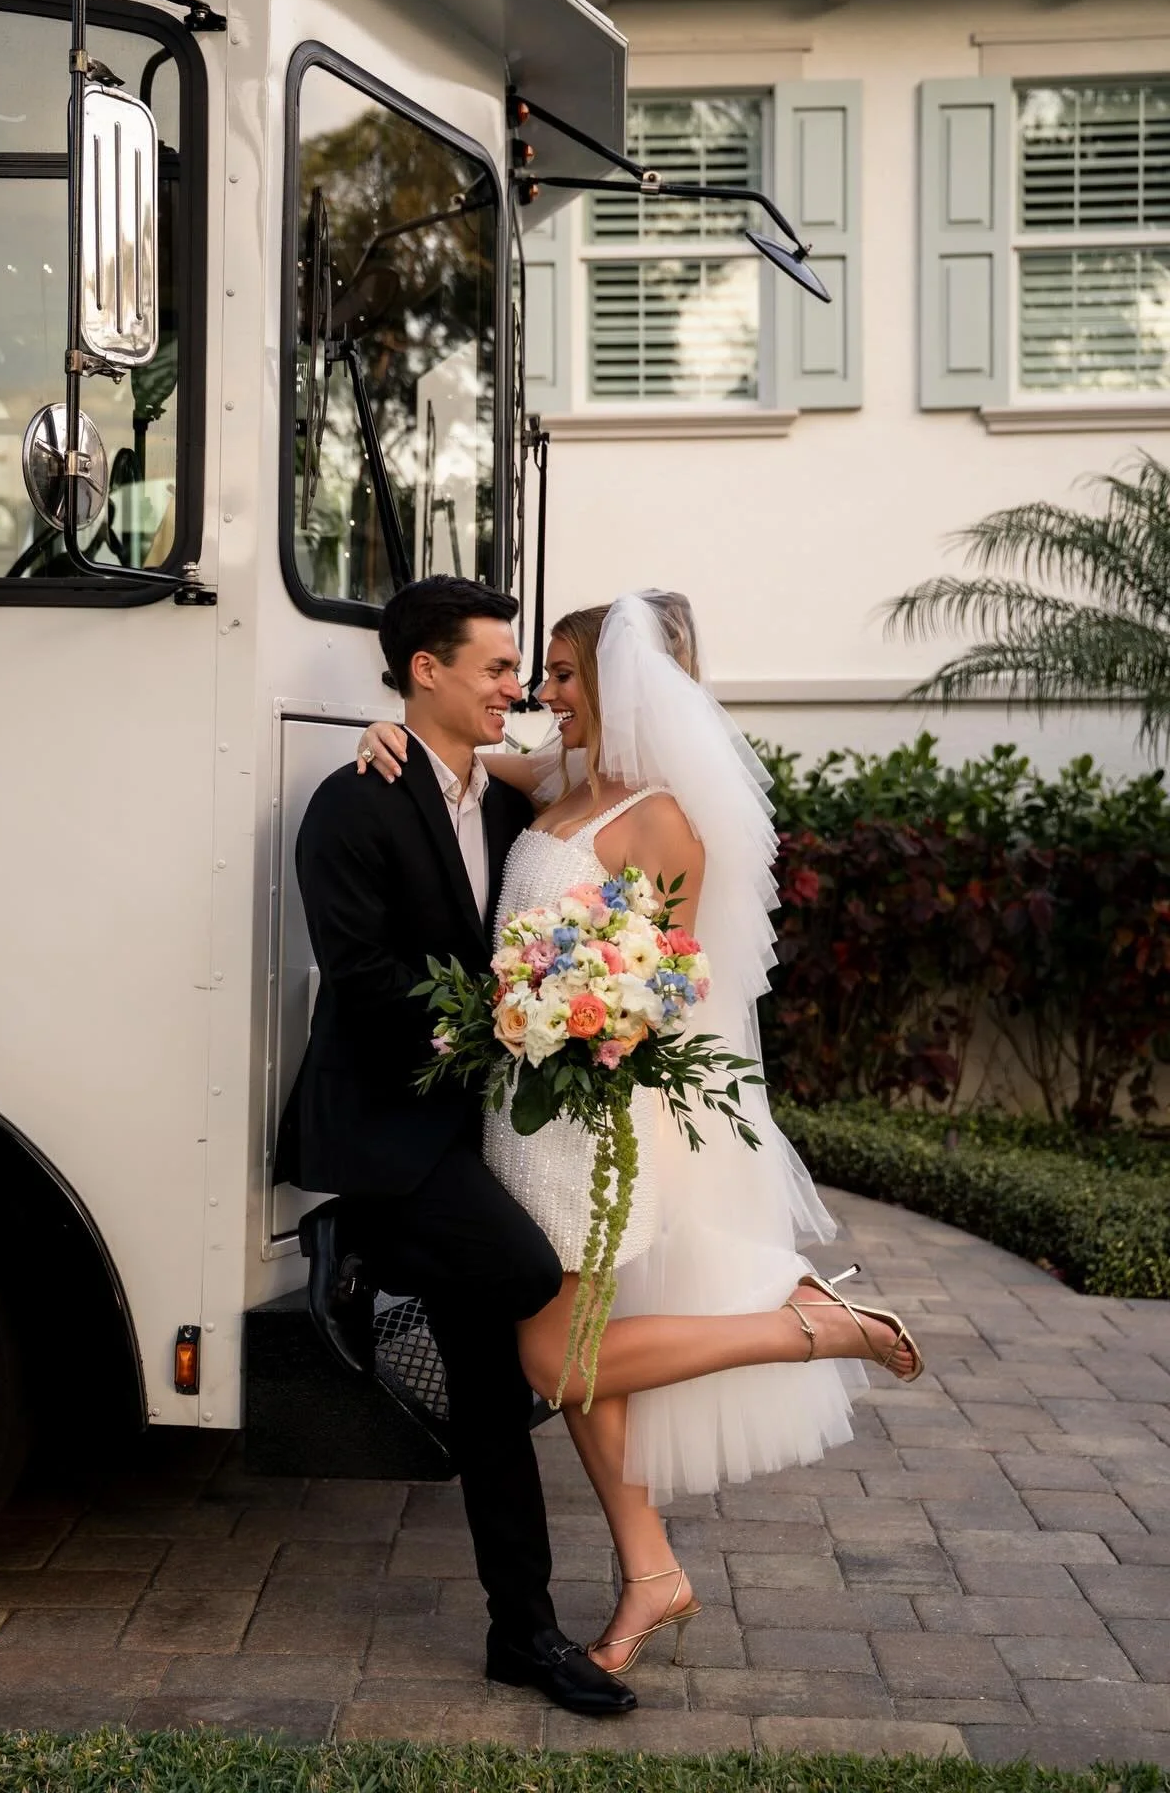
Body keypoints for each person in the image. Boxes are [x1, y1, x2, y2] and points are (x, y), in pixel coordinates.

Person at [355, 590, 922, 1675]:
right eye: (541, 674)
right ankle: (650, 1570)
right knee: (580, 1355)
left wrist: (575, 1011)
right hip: (518, 1110)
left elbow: (663, 985)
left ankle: (810, 1327)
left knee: (556, 1359)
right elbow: (448, 760)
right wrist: (379, 731)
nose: (543, 694)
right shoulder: (559, 782)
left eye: (563, 675)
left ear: (621, 686)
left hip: (587, 1122)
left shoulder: (661, 820)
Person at [274, 576, 636, 1717]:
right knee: (525, 1274)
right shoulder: (350, 803)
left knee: (488, 1389)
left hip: (469, 1132)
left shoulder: (509, 804)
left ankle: (523, 1635)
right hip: (383, 1128)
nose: (515, 688)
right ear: (425, 670)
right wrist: (505, 1018)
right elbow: (364, 976)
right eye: (495, 667)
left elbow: (620, 779)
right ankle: (359, 1240)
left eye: (521, 669)